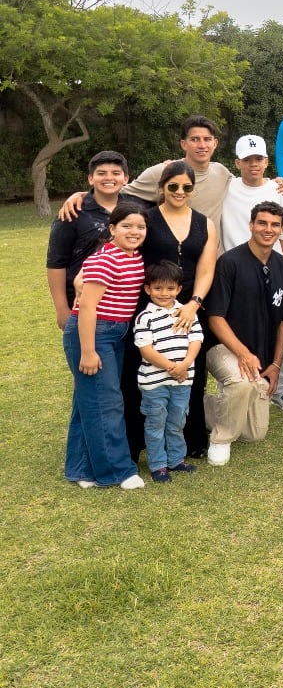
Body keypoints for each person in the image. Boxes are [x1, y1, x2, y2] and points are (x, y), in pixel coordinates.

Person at [126, 159, 219, 463]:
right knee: (145, 371)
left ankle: (191, 441)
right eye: (173, 186)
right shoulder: (146, 219)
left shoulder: (205, 223)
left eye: (186, 187)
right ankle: (139, 442)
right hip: (150, 303)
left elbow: (207, 269)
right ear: (162, 187)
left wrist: (194, 304)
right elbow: (123, 248)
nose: (180, 191)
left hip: (191, 305)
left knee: (192, 372)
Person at [62, 198, 148, 491]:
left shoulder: (131, 255)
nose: (134, 231)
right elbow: (87, 307)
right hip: (93, 332)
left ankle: (81, 468)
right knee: (107, 402)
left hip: (115, 333)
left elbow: (81, 280)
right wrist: (88, 351)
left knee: (88, 402)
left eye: (140, 226)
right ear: (112, 228)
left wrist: (77, 282)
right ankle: (117, 472)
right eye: (126, 226)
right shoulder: (105, 258)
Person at [202, 201, 283, 466]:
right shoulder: (230, 262)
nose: (268, 229)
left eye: (274, 225)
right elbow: (215, 318)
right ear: (251, 225)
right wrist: (242, 354)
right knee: (242, 382)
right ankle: (220, 440)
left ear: (282, 229)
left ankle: (198, 408)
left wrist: (276, 364)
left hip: (260, 356)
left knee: (254, 433)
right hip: (222, 347)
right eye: (262, 223)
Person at [55, 116, 234, 230]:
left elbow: (249, 183)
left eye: (207, 139)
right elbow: (119, 191)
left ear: (215, 143)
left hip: (213, 261)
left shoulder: (222, 172)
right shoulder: (162, 172)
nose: (202, 145)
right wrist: (80, 195)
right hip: (173, 267)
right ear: (183, 144)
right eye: (195, 139)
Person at [132, 258, 205, 482]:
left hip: (183, 380)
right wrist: (172, 367)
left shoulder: (186, 313)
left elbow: (196, 340)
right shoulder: (145, 317)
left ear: (179, 289)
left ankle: (175, 460)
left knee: (177, 421)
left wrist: (184, 365)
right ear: (148, 288)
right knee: (156, 422)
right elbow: (146, 350)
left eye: (170, 288)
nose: (164, 293)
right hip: (154, 383)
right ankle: (158, 465)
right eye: (158, 288)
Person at [46, 149, 129, 327]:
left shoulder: (135, 207)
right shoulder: (72, 213)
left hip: (125, 305)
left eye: (116, 173)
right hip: (82, 303)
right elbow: (56, 263)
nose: (109, 178)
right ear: (90, 179)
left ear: (126, 179)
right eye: (101, 173)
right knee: (87, 354)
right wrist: (61, 309)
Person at [219, 137, 283, 254]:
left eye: (258, 159)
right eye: (247, 159)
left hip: (268, 264)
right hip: (232, 265)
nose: (253, 164)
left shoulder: (280, 191)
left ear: (266, 162)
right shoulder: (226, 187)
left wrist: (279, 264)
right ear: (237, 163)